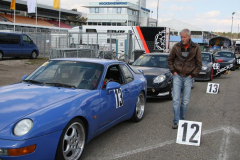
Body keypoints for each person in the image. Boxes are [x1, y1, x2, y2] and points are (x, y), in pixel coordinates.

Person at [168, 29, 202, 129]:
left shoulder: (196, 47)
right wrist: (173, 71)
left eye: (184, 37)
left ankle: (182, 120)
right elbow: (170, 60)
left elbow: (199, 64)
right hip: (177, 75)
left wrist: (192, 75)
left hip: (188, 76)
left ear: (189, 37)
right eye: (181, 37)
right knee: (175, 100)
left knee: (185, 101)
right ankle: (176, 121)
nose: (182, 39)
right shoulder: (176, 46)